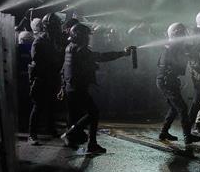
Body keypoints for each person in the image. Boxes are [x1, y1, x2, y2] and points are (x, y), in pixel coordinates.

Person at [59, 23, 134, 154]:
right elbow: (101, 57)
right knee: (93, 113)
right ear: (81, 36)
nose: (88, 38)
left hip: (71, 87)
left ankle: (74, 137)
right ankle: (85, 141)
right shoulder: (81, 50)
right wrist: (123, 53)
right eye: (87, 36)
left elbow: (66, 69)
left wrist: (63, 86)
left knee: (83, 114)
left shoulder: (70, 47)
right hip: (78, 88)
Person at [157, 22, 200, 144]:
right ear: (176, 34)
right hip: (167, 82)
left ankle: (163, 132)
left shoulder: (173, 46)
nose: (184, 35)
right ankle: (187, 136)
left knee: (174, 108)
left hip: (168, 81)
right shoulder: (173, 46)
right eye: (182, 33)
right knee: (182, 108)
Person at [27, 13, 65, 145]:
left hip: (53, 77)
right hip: (41, 78)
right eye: (56, 26)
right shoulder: (40, 41)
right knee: (38, 106)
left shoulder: (55, 40)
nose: (58, 29)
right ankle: (32, 135)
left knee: (52, 105)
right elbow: (37, 60)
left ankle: (51, 129)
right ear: (49, 27)